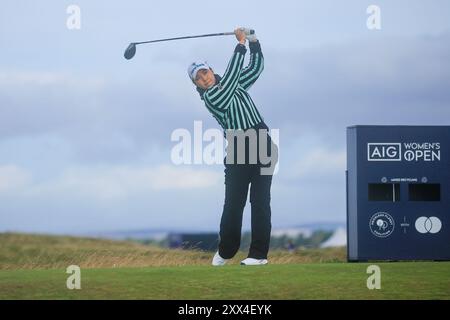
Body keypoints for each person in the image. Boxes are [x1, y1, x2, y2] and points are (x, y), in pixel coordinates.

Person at [187, 27, 277, 266]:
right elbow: (227, 87)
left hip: (262, 141)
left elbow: (255, 68)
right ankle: (226, 252)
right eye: (198, 78)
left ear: (211, 70)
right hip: (238, 148)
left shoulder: (234, 83)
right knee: (233, 204)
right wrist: (239, 46)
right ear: (197, 84)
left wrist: (254, 40)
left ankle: (258, 255)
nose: (203, 78)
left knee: (260, 202)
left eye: (204, 72)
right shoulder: (212, 98)